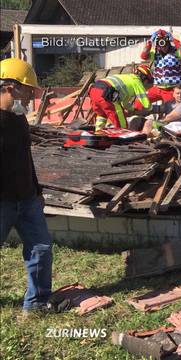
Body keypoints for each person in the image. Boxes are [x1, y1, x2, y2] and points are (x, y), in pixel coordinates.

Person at [0, 58, 53, 314]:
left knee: (41, 249)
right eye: (28, 90)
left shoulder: (19, 119)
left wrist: (38, 190)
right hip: (2, 202)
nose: (32, 96)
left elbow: (25, 157)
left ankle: (37, 303)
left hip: (27, 199)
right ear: (10, 87)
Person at [88, 64, 153, 131]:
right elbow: (145, 102)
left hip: (94, 90)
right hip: (107, 92)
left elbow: (125, 103)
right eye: (147, 82)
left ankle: (98, 132)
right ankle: (123, 139)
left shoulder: (127, 78)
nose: (146, 84)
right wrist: (152, 109)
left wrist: (132, 109)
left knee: (101, 115)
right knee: (121, 123)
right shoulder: (136, 80)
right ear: (144, 78)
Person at [141, 29, 181, 104]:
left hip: (172, 89)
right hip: (157, 88)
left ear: (168, 43)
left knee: (170, 109)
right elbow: (143, 56)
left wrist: (173, 39)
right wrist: (150, 42)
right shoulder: (154, 53)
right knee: (140, 102)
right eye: (160, 44)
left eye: (165, 44)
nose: (163, 47)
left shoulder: (176, 52)